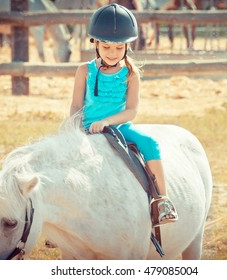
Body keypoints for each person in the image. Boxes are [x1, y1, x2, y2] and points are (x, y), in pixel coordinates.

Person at [70, 3, 178, 226]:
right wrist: (74, 127)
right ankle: (65, 216)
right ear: (96, 43)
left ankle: (161, 201)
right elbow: (75, 105)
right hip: (87, 128)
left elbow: (132, 111)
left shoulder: (131, 74)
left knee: (149, 143)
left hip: (118, 127)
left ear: (127, 47)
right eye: (107, 47)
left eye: (119, 48)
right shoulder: (84, 70)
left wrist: (107, 121)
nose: (112, 53)